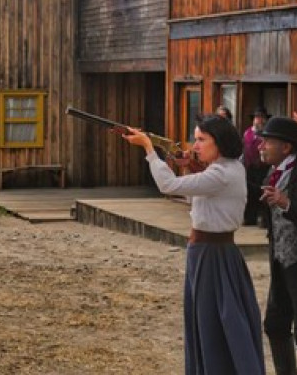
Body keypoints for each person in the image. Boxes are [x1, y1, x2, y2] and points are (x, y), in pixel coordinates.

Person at [123, 115, 264, 375]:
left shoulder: (223, 173)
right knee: (207, 319)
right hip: (207, 252)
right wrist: (189, 167)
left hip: (213, 254)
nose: (195, 145)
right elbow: (193, 194)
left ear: (219, 142)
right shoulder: (223, 170)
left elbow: (168, 185)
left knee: (215, 320)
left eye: (201, 140)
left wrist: (149, 149)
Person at [258, 117, 297, 374]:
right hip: (281, 258)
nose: (261, 146)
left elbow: (286, 205)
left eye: (268, 141)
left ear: (286, 147)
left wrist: (287, 204)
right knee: (275, 324)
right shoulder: (274, 172)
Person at [243, 107, 271, 226]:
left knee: (263, 192)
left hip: (264, 168)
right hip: (250, 168)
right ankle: (250, 218)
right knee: (250, 192)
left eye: (262, 117)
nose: (259, 120)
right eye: (257, 117)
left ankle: (263, 219)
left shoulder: (267, 133)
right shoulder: (247, 132)